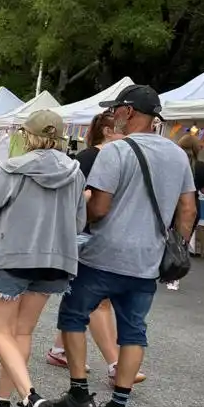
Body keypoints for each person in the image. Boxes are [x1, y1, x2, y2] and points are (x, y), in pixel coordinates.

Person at [52, 85, 197, 407]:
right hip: (147, 261)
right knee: (133, 331)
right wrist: (173, 242)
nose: (113, 114)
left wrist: (79, 215)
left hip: (102, 255)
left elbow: (99, 208)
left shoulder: (115, 152)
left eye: (117, 109)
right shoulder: (178, 155)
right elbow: (188, 209)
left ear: (129, 112)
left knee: (73, 316)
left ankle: (79, 392)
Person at [0, 110, 85, 407]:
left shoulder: (13, 168)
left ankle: (29, 397)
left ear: (28, 135)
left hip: (11, 255)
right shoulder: (75, 173)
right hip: (55, 260)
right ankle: (2, 400)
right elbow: (79, 222)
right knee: (22, 332)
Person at [45, 110, 142, 383]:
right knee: (99, 302)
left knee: (82, 299)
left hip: (102, 235)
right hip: (85, 234)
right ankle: (114, 364)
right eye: (121, 130)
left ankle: (60, 348)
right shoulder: (89, 157)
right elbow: (74, 195)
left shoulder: (119, 157)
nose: (126, 134)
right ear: (108, 132)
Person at [167, 134, 204, 290]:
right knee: (182, 242)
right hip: (192, 207)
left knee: (164, 238)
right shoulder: (201, 166)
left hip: (170, 206)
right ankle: (173, 277)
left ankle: (156, 270)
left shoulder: (172, 164)